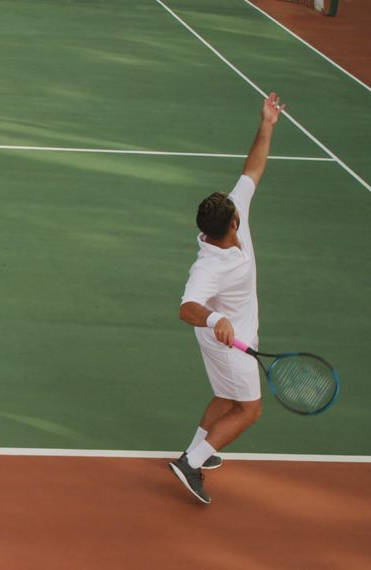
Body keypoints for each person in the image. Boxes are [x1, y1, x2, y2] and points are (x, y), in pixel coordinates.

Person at [170, 93, 286, 504]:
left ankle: (194, 451)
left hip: (230, 333)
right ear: (233, 222)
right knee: (249, 409)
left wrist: (267, 124)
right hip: (226, 338)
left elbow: (252, 168)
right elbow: (186, 307)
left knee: (225, 396)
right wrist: (215, 318)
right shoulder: (209, 265)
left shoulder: (235, 212)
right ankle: (192, 463)